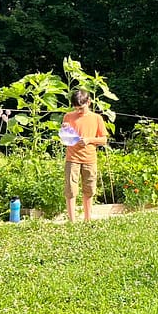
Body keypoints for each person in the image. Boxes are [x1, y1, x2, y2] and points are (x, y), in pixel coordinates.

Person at [62, 90, 108, 222]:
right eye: (76, 108)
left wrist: (88, 140)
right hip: (72, 158)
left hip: (89, 159)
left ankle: (87, 220)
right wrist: (65, 129)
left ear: (88, 102)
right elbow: (65, 139)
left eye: (81, 108)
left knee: (89, 190)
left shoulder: (96, 118)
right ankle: (72, 221)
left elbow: (103, 140)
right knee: (70, 190)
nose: (78, 111)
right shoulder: (68, 116)